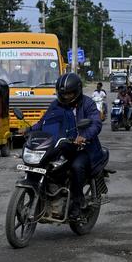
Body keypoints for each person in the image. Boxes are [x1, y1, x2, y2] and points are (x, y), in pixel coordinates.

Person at [32, 72, 103, 221]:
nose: (65, 97)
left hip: (83, 148)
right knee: (45, 164)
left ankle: (77, 204)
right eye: (63, 94)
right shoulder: (56, 105)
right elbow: (43, 121)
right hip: (62, 145)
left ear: (77, 91)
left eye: (69, 94)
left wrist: (84, 136)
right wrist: (28, 131)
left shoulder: (88, 103)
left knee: (77, 167)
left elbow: (96, 123)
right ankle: (46, 194)